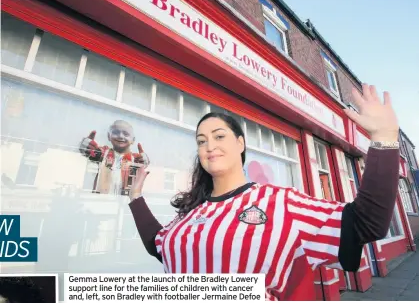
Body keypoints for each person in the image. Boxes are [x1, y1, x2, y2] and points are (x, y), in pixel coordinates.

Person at [128, 84, 401, 300]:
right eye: (201, 141)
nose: (209, 145)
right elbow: (159, 245)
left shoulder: (282, 204)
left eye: (219, 136)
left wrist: (385, 138)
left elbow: (367, 222)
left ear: (240, 143)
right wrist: (135, 197)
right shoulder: (191, 213)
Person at [79, 120, 149, 195]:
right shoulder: (104, 153)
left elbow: (143, 163)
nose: (121, 136)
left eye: (126, 134)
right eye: (116, 132)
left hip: (125, 203)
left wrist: (145, 160)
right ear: (109, 136)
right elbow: (91, 152)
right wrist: (86, 146)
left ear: (133, 140)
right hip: (100, 201)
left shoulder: (134, 158)